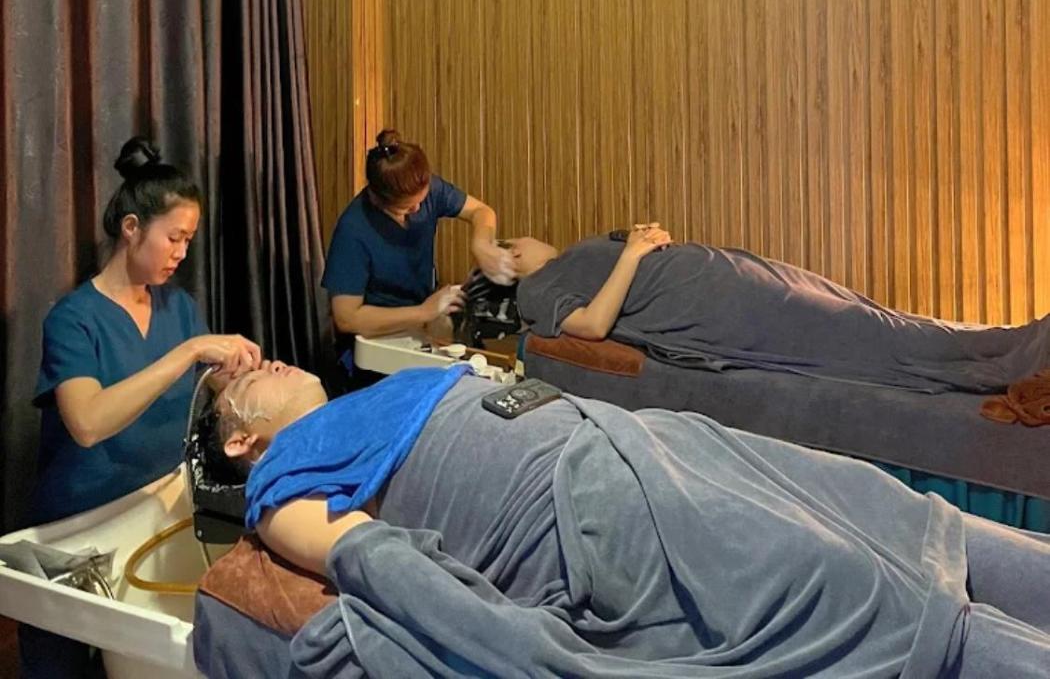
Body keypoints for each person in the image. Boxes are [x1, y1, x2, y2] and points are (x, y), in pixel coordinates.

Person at [199, 362, 1050, 677]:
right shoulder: (281, 480)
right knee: (858, 589)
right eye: (248, 376)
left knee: (897, 518)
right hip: (586, 510)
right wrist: (523, 649)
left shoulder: (364, 397)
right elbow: (371, 557)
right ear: (241, 438)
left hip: (650, 445)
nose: (265, 358)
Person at [21, 137, 261, 679]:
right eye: (173, 237)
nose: (181, 253)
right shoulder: (74, 319)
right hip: (76, 526)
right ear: (131, 228)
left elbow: (207, 389)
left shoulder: (178, 307)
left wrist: (238, 376)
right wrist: (187, 353)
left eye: (189, 240)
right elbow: (87, 423)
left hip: (152, 511)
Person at [509, 225, 1050, 393]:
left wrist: (640, 241)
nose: (525, 237)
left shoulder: (573, 256)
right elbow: (593, 325)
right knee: (862, 332)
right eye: (513, 243)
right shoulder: (535, 288)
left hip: (734, 276)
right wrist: (631, 254)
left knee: (864, 314)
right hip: (718, 311)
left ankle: (1014, 342)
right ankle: (1012, 360)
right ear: (511, 262)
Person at [321, 129, 509, 345]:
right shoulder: (353, 230)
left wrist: (481, 245)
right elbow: (346, 318)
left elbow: (481, 212)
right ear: (377, 199)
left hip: (421, 318)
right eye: (407, 207)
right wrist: (423, 311)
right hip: (375, 337)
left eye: (422, 199)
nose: (418, 208)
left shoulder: (427, 189)